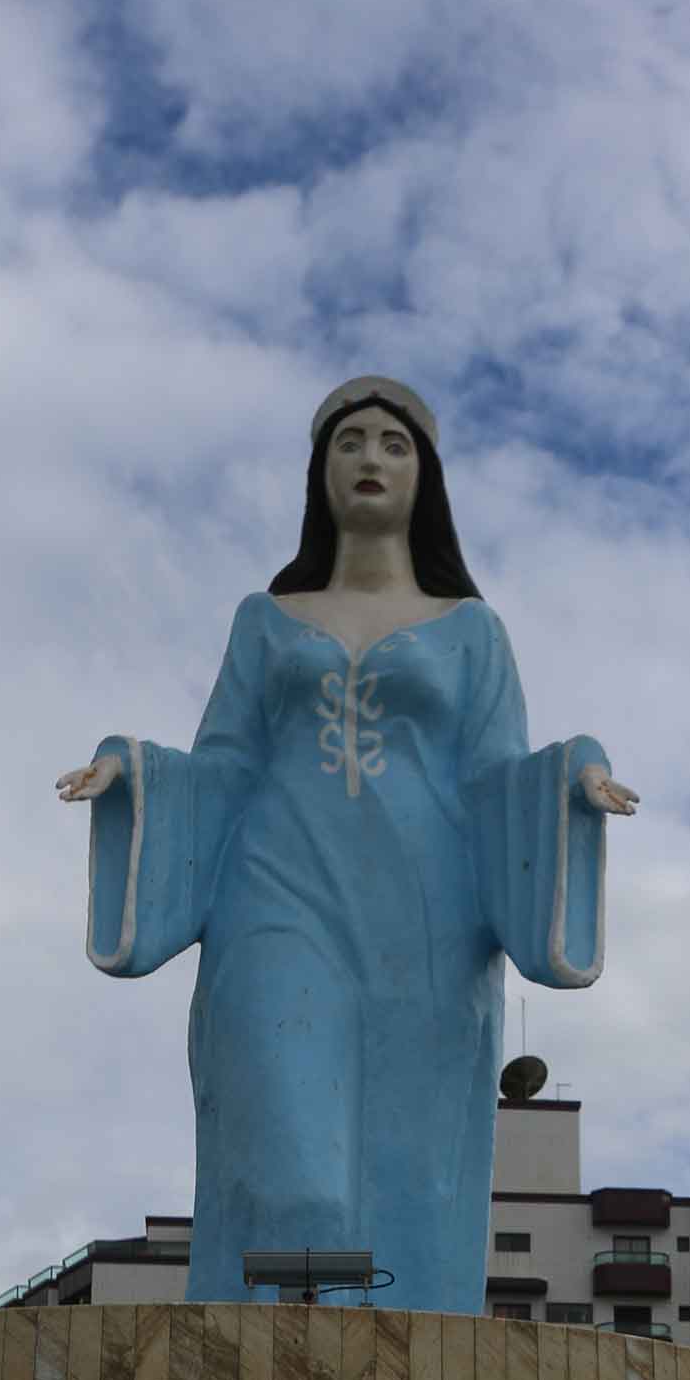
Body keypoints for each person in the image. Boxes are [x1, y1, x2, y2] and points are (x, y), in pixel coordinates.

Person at [57, 380, 638, 1314]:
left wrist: (574, 780)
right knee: (296, 1174)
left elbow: (496, 776)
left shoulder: (474, 633)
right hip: (275, 899)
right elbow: (225, 761)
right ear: (320, 472)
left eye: (393, 445)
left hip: (427, 923)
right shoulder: (266, 619)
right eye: (351, 442)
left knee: (410, 1175)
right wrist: (133, 772)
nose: (371, 459)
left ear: (425, 476)